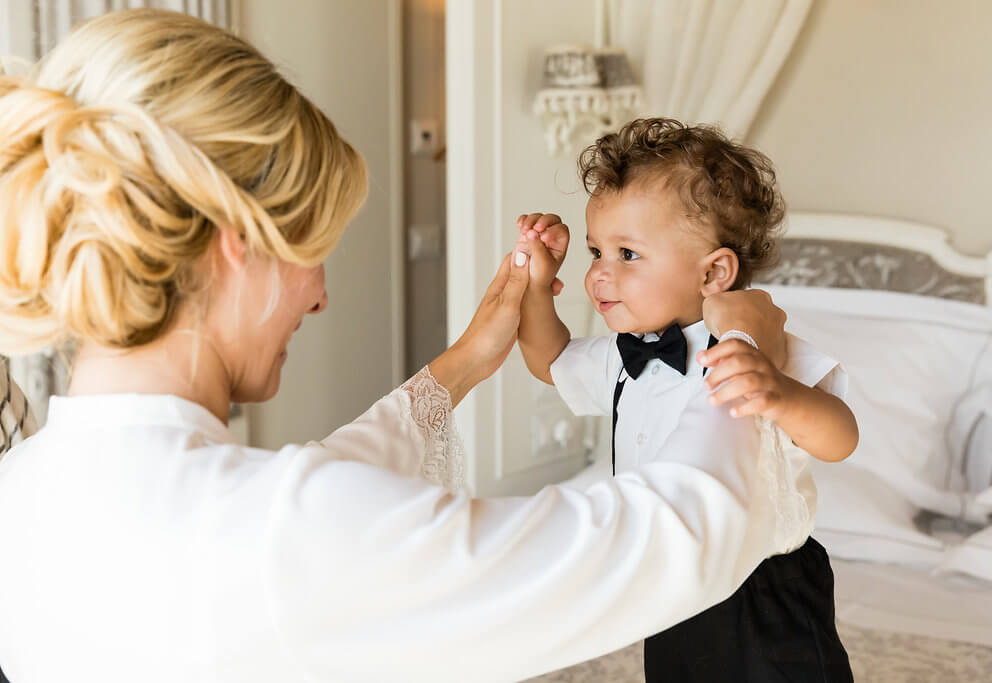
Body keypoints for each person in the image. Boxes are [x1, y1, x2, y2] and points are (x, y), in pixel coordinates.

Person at [0, 11, 789, 683]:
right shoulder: (287, 532)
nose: (320, 293)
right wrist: (744, 342)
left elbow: (316, 490)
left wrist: (465, 363)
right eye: (312, 247)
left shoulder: (23, 493)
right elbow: (665, 536)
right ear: (235, 243)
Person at [515, 118, 858, 682]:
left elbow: (840, 436)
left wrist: (779, 394)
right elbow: (548, 360)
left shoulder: (758, 346)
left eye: (628, 254)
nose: (600, 273)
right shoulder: (625, 356)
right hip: (672, 578)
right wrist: (535, 285)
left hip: (763, 587)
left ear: (714, 273)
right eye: (596, 251)